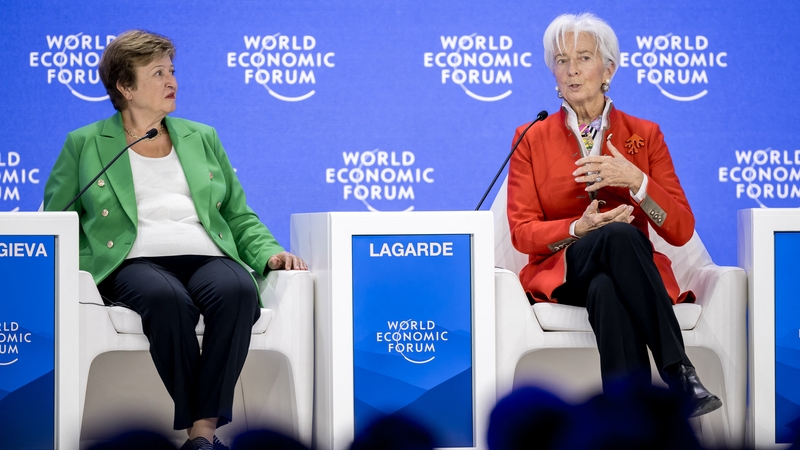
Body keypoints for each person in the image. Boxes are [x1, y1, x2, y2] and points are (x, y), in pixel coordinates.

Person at [43, 30, 307, 450]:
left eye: (172, 71)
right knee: (168, 302)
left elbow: (237, 214)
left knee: (238, 290)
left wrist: (268, 253)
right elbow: (57, 220)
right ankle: (202, 437)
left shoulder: (201, 137)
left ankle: (201, 435)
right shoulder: (85, 144)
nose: (172, 82)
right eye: (157, 73)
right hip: (131, 261)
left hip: (204, 253)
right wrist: (77, 272)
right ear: (125, 87)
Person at [506, 13, 722, 417]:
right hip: (565, 268)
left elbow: (680, 229)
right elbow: (521, 232)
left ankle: (631, 420)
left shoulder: (646, 134)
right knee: (616, 237)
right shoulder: (530, 136)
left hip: (627, 270)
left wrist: (637, 181)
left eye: (583, 58)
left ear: (609, 68)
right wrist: (578, 227)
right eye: (561, 59)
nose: (571, 71)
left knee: (608, 288)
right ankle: (679, 374)